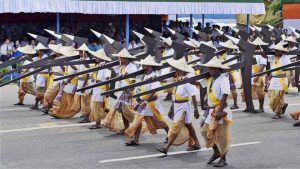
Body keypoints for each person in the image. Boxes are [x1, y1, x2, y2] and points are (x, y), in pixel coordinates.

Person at [156, 57, 201, 154]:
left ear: (182, 70)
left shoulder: (187, 80)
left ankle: (166, 148)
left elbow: (193, 94)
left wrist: (196, 109)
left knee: (175, 126)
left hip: (184, 106)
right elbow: (164, 81)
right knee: (188, 125)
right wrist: (155, 78)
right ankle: (197, 143)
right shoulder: (176, 78)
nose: (175, 70)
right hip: (177, 105)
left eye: (177, 68)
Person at [124, 55, 169, 146]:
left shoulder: (153, 76)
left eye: (143, 64)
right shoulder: (146, 75)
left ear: (148, 65)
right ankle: (136, 140)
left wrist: (145, 101)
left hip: (151, 103)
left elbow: (153, 91)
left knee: (159, 122)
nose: (142, 66)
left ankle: (170, 135)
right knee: (138, 119)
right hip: (144, 102)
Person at [198, 56, 232, 167]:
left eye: (211, 68)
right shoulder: (210, 78)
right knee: (204, 131)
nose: (209, 70)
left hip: (220, 110)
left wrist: (219, 112)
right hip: (211, 110)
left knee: (222, 135)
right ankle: (216, 152)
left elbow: (225, 95)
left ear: (217, 69)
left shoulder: (223, 79)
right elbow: (196, 83)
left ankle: (223, 158)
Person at [103, 49, 137, 133]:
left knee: (127, 112)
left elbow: (133, 81)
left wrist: (131, 92)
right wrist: (104, 63)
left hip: (128, 91)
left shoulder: (131, 67)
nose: (119, 60)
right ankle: (126, 127)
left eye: (120, 58)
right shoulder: (122, 66)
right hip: (122, 91)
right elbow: (111, 67)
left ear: (125, 58)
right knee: (122, 111)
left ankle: (136, 125)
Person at [49, 47, 80, 119]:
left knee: (69, 101)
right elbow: (65, 71)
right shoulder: (67, 61)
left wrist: (68, 80)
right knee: (64, 100)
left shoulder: (76, 61)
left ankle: (68, 112)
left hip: (72, 82)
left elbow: (76, 72)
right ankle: (59, 111)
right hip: (66, 82)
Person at [241, 37, 268, 113]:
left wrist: (257, 76)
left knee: (260, 92)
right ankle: (249, 106)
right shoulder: (250, 51)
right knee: (246, 91)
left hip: (258, 75)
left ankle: (261, 107)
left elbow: (262, 65)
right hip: (250, 74)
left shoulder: (261, 53)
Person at [88, 49, 112, 129]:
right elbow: (92, 76)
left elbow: (107, 80)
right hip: (95, 87)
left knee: (98, 106)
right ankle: (111, 116)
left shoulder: (105, 67)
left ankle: (97, 123)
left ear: (101, 58)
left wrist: (107, 91)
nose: (95, 58)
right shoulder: (96, 66)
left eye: (97, 56)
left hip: (101, 88)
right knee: (97, 106)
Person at [40, 44, 66, 114]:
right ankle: (47, 107)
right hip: (53, 77)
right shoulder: (54, 58)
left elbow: (65, 70)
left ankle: (55, 110)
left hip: (60, 77)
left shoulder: (64, 58)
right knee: (48, 93)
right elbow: (51, 68)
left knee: (57, 95)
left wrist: (61, 63)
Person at [268, 43, 290, 119]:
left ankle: (278, 113)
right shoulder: (273, 57)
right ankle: (283, 105)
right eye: (275, 51)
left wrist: (289, 80)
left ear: (281, 51)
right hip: (273, 80)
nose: (276, 52)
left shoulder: (285, 58)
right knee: (272, 96)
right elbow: (265, 57)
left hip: (281, 80)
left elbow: (288, 69)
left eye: (277, 51)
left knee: (278, 97)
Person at [73, 44, 93, 123]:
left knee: (86, 101)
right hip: (81, 82)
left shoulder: (88, 61)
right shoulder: (82, 60)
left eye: (81, 52)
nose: (79, 53)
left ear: (85, 52)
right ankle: (85, 114)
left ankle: (87, 117)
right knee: (83, 100)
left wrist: (84, 85)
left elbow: (88, 73)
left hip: (86, 82)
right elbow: (78, 72)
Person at [218, 40, 239, 109]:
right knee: (224, 89)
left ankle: (235, 103)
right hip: (224, 72)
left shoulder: (232, 55)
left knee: (233, 89)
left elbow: (232, 65)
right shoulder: (225, 54)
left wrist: (227, 72)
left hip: (229, 73)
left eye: (226, 47)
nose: (225, 48)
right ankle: (225, 103)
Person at [30, 43, 50, 110]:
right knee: (38, 91)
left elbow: (48, 67)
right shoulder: (38, 57)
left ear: (41, 50)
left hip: (44, 76)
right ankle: (41, 104)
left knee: (40, 91)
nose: (37, 52)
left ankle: (41, 104)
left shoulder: (46, 57)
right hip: (39, 76)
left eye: (38, 50)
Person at [159, 36, 175, 101]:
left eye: (165, 43)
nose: (164, 44)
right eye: (164, 43)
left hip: (169, 67)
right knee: (165, 81)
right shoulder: (165, 50)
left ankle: (170, 95)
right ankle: (168, 94)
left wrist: (172, 67)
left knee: (169, 81)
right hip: (164, 67)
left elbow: (172, 59)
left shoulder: (172, 51)